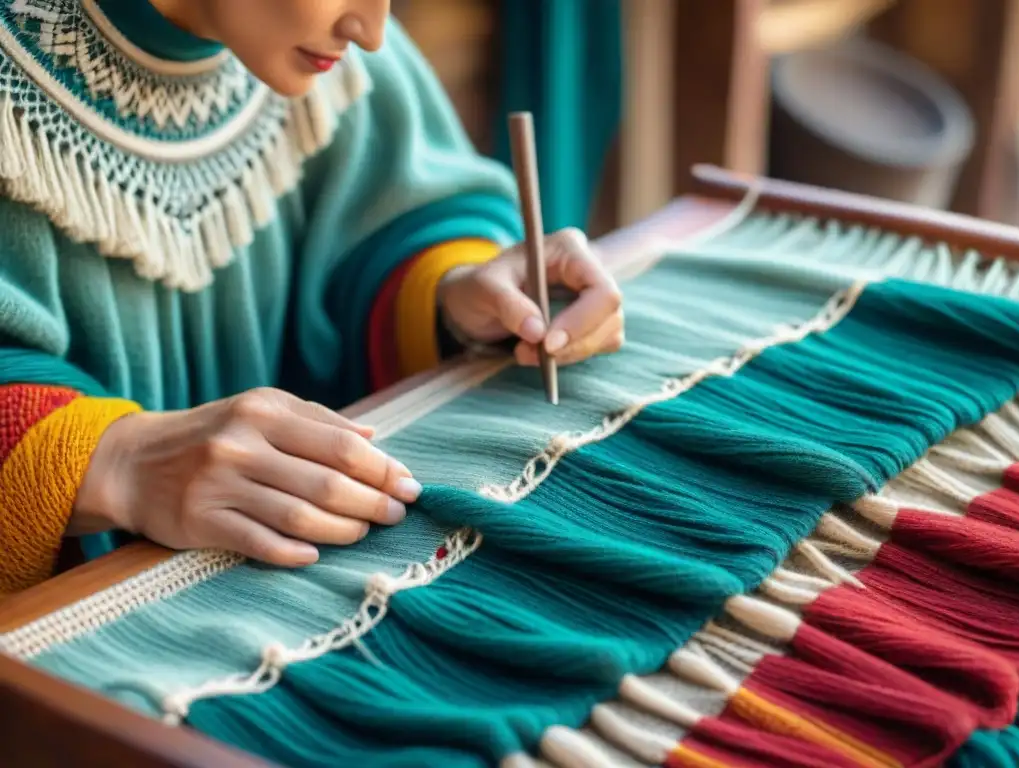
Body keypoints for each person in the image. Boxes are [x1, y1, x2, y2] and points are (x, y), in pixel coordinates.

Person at [0, 0, 624, 594]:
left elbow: (394, 220)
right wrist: (116, 464)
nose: (373, 32)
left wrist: (455, 290)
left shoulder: (320, 48)